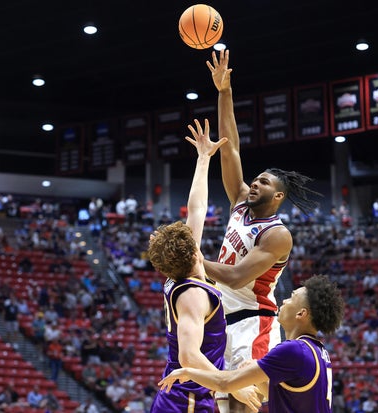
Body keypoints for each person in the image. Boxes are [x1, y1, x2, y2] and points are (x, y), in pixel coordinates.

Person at [204, 49, 320, 412]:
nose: (253, 184)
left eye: (263, 182)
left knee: (250, 406)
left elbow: (238, 277)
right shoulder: (240, 201)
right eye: (254, 180)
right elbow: (231, 149)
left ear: (278, 195)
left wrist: (191, 259)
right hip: (223, 323)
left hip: (255, 325)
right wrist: (224, 92)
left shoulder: (277, 234)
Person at [147, 119, 259, 413]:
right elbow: (188, 356)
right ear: (195, 254)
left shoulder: (180, 274)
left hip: (187, 399)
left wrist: (203, 158)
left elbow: (196, 208)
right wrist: (233, 382)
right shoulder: (194, 296)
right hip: (186, 403)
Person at [159, 274, 345, 413]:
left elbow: (225, 383)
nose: (284, 301)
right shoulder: (318, 351)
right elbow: (288, 399)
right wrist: (260, 379)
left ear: (301, 314)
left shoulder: (294, 350)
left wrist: (188, 371)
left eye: (291, 298)